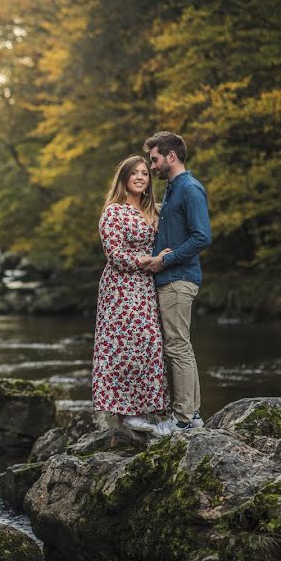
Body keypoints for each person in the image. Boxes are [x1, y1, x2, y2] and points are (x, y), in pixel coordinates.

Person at [92, 155, 169, 434]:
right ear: (124, 177)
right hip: (120, 287)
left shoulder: (153, 211)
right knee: (123, 346)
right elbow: (115, 255)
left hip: (146, 287)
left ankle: (147, 409)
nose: (140, 177)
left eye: (145, 173)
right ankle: (125, 414)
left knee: (149, 344)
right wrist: (150, 260)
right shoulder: (113, 211)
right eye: (134, 173)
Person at [140, 131, 211, 433]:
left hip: (179, 279)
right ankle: (191, 415)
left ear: (170, 156)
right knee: (180, 346)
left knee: (177, 347)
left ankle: (183, 419)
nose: (152, 166)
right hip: (171, 280)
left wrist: (164, 261)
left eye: (154, 160)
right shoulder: (173, 189)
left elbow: (201, 237)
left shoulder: (190, 188)